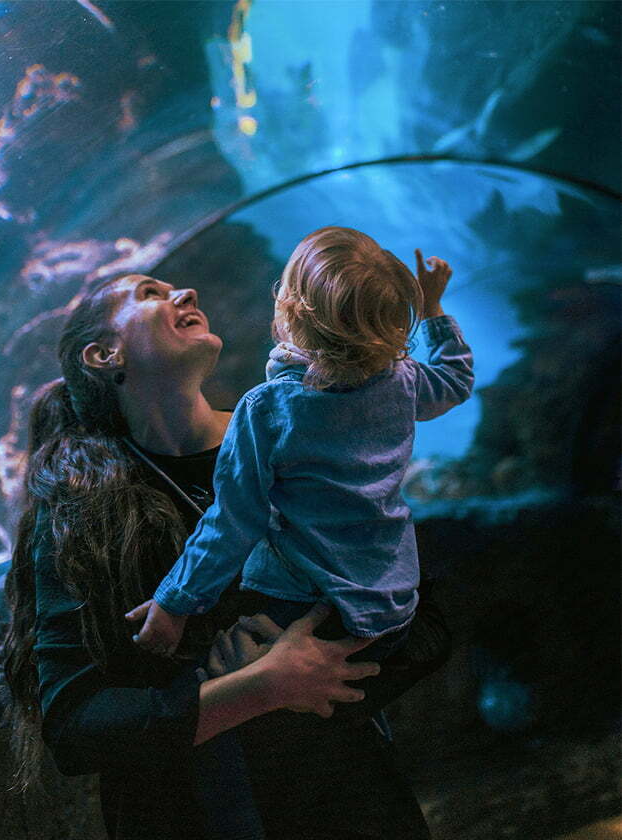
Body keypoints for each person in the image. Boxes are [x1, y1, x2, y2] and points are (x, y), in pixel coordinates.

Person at [2, 269, 452, 840]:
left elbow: (427, 623)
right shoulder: (83, 512)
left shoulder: (300, 430)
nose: (185, 292)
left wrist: (327, 662)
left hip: (347, 798)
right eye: (150, 294)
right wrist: (262, 686)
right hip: (195, 814)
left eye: (177, 288)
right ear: (103, 354)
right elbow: (76, 726)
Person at [127, 228, 473, 837]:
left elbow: (232, 522)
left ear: (287, 309)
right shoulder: (401, 381)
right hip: (391, 607)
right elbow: (455, 380)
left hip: (306, 607)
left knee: (226, 671)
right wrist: (436, 310)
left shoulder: (268, 410)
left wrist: (175, 602)